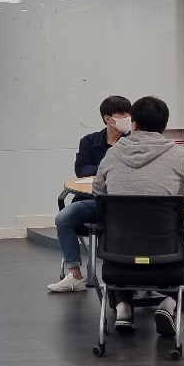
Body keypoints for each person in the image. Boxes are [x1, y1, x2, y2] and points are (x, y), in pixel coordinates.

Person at [93, 96, 184, 336]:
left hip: (117, 255)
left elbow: (99, 192)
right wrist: (180, 192)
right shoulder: (179, 155)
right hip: (167, 253)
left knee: (125, 232)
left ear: (134, 124)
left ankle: (123, 306)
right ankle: (169, 303)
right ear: (164, 126)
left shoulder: (112, 154)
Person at [46, 95, 132, 293]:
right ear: (108, 118)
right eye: (122, 114)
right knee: (64, 217)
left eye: (129, 114)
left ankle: (130, 276)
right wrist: (109, 168)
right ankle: (75, 275)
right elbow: (81, 169)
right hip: (92, 201)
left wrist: (101, 170)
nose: (127, 118)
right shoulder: (89, 141)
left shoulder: (133, 142)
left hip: (123, 203)